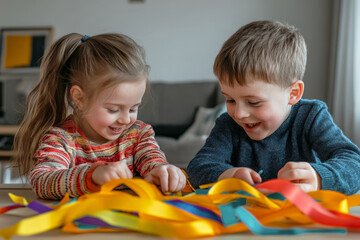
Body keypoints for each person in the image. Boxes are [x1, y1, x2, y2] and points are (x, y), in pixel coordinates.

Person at [186, 20, 360, 195]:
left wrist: (319, 177)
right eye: (230, 100)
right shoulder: (228, 125)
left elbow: (354, 164)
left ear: (293, 94)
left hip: (300, 217)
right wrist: (229, 175)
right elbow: (197, 168)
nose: (239, 114)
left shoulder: (311, 117)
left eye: (253, 102)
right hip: (244, 218)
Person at [12, 33, 186, 200]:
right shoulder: (61, 140)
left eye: (133, 108)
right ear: (79, 98)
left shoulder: (138, 135)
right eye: (113, 109)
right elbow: (42, 181)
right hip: (80, 225)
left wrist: (163, 171)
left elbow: (152, 161)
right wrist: (92, 175)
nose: (126, 119)